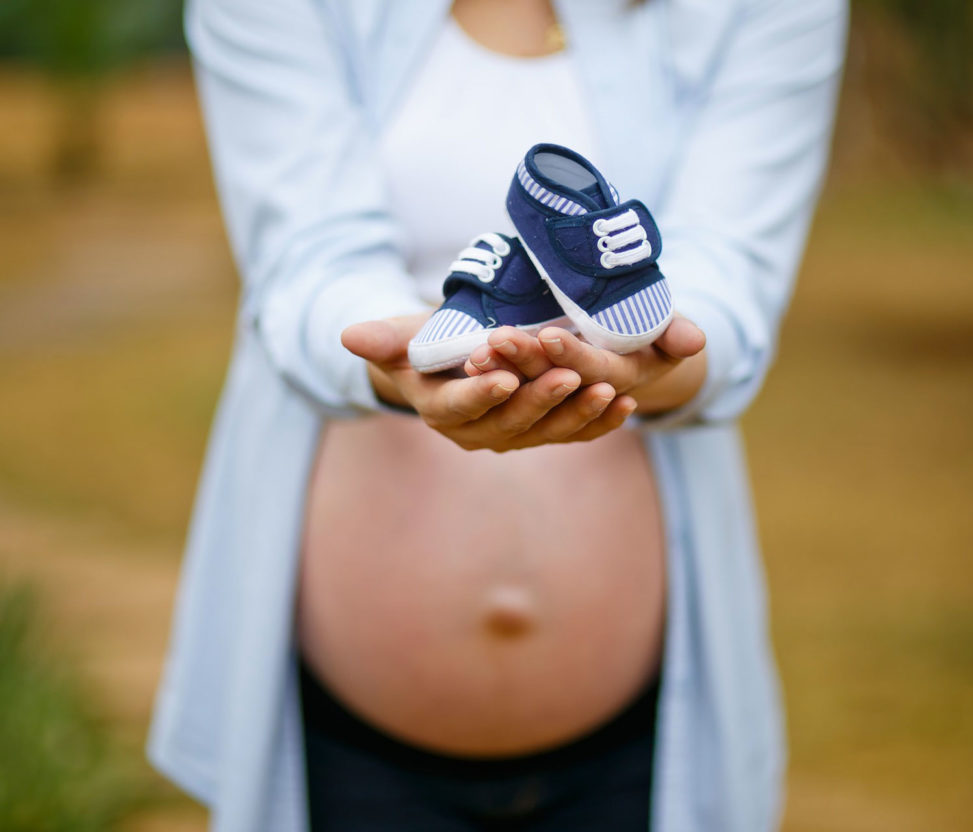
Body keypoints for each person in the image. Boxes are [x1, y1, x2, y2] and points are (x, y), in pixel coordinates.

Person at [147, 1, 848, 830]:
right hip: (346, 736)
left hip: (639, 746)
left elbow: (730, 279)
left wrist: (657, 363)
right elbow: (305, 259)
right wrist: (397, 364)